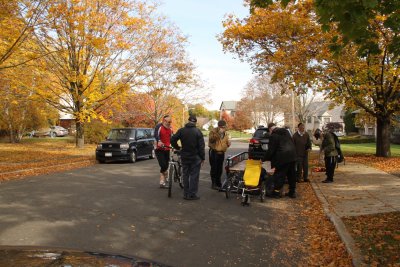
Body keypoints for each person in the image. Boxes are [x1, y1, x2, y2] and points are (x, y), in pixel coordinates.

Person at [170, 115, 205, 200]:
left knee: (185, 174)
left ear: (188, 121)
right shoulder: (198, 132)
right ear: (195, 122)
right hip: (195, 156)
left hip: (184, 155)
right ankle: (192, 194)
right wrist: (202, 158)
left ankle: (186, 194)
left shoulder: (182, 130)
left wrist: (178, 147)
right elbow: (201, 146)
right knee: (194, 175)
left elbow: (172, 139)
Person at [264, 123, 297, 198]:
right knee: (291, 175)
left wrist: (264, 159)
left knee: (280, 175)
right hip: (292, 156)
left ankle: (276, 193)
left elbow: (271, 150)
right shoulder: (286, 132)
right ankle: (292, 192)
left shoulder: (273, 136)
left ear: (270, 129)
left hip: (283, 158)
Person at [208, 120, 231, 190]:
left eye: (224, 127)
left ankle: (218, 182)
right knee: (214, 169)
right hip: (214, 152)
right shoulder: (213, 131)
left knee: (219, 169)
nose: (223, 128)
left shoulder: (225, 133)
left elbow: (226, 141)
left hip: (221, 153)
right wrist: (218, 134)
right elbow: (211, 140)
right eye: (222, 127)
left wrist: (228, 143)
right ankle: (214, 183)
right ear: (219, 126)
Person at [154, 115, 173, 188]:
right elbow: (156, 134)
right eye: (168, 122)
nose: (169, 123)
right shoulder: (159, 126)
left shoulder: (170, 128)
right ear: (164, 121)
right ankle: (166, 174)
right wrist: (159, 141)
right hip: (159, 149)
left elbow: (171, 137)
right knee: (163, 165)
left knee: (166, 165)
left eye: (170, 122)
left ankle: (162, 182)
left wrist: (173, 145)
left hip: (167, 149)